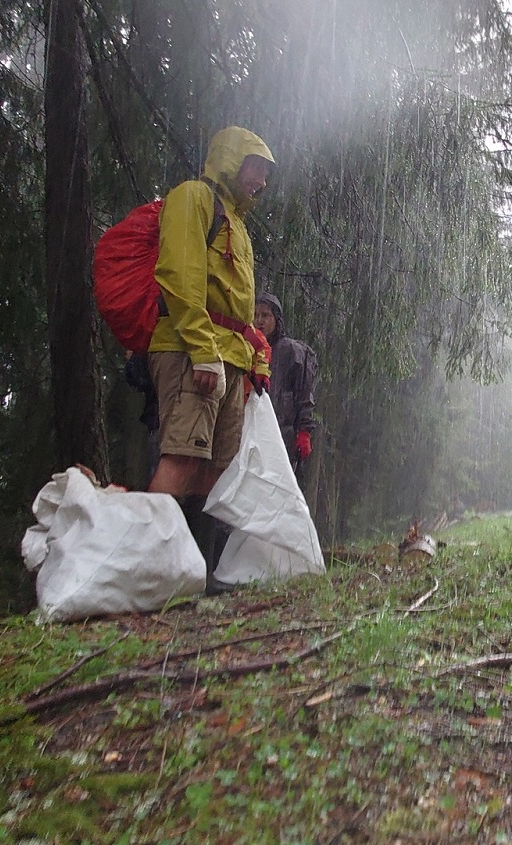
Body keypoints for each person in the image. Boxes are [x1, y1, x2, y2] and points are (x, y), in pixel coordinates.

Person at [146, 126, 274, 589]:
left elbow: (239, 309)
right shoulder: (194, 198)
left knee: (213, 469)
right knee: (181, 458)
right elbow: (179, 277)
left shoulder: (238, 226)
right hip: (189, 349)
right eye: (254, 166)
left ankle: (195, 573)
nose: (260, 179)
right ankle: (146, 569)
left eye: (265, 173)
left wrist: (245, 362)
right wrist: (203, 352)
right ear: (231, 159)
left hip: (227, 359)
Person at [252, 294, 318, 481]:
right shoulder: (246, 348)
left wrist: (303, 432)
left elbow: (305, 394)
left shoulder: (293, 352)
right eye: (256, 315)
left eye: (265, 315)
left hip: (283, 435)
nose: (259, 321)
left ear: (277, 320)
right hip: (251, 431)